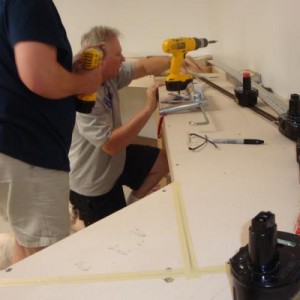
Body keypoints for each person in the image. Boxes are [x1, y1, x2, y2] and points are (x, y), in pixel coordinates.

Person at [0, 0, 104, 264]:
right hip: (28, 152)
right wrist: (87, 81)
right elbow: (39, 77)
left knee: (27, 242)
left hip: (12, 151)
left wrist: (66, 67)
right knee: (49, 261)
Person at [69, 26, 170, 227]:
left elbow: (143, 67)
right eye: (118, 54)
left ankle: (131, 207)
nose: (123, 58)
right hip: (94, 184)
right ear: (99, 59)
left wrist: (176, 61)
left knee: (162, 161)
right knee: (111, 239)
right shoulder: (85, 94)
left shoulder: (108, 76)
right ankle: (84, 217)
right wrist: (148, 108)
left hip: (114, 162)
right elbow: (111, 144)